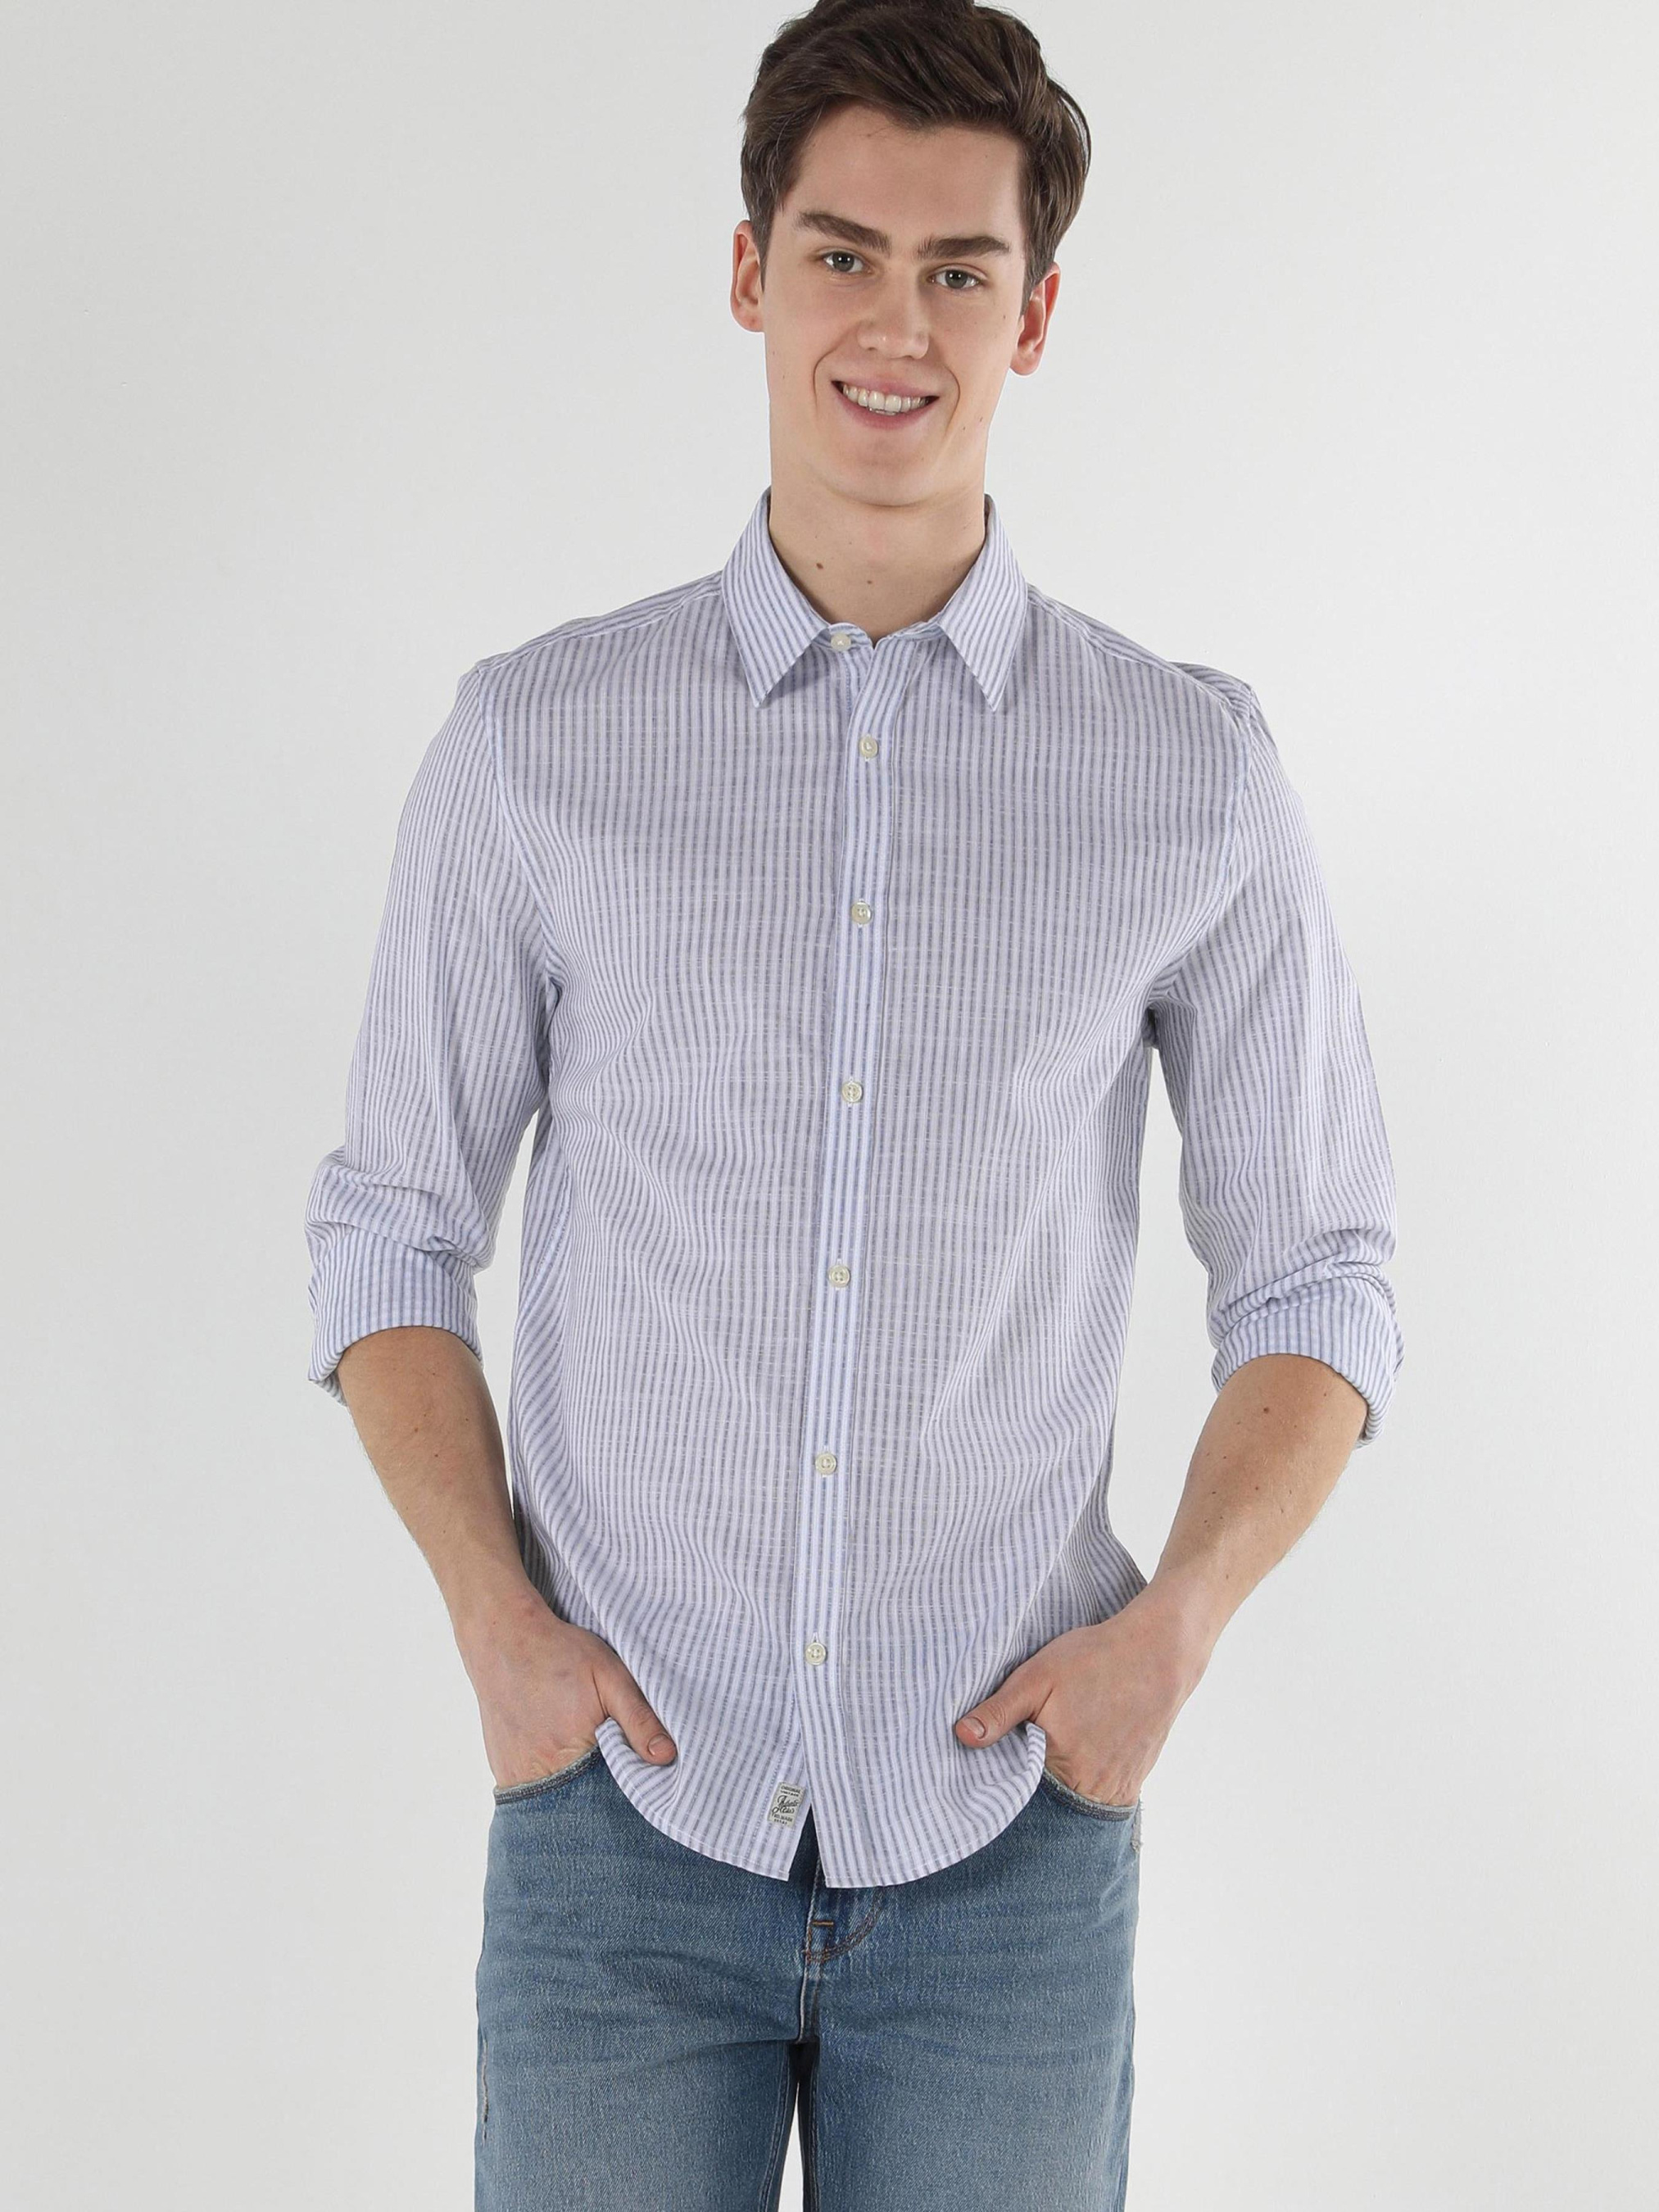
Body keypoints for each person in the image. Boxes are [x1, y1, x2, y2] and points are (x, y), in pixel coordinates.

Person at [303, 2, 1403, 2204]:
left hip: (1008, 1851)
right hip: (620, 1831)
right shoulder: (538, 743)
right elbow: (392, 1227)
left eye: (957, 269)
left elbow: (1320, 1271)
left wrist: (1168, 1639)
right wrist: (497, 1632)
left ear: (1035, 312)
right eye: (840, 255)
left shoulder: (1185, 772)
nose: (894, 325)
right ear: (748, 273)